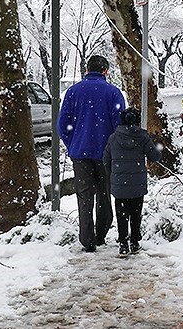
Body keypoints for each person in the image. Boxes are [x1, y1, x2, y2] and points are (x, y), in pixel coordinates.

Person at [58, 55, 126, 252]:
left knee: (84, 196)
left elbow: (63, 124)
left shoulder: (73, 92)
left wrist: (72, 144)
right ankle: (101, 234)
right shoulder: (113, 93)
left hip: (80, 154)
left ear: (87, 70)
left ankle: (87, 239)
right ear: (105, 71)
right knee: (105, 194)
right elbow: (119, 124)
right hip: (105, 153)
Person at [103, 107, 161, 256]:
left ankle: (123, 243)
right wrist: (158, 146)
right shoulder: (142, 137)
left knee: (121, 214)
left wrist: (113, 175)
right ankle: (135, 242)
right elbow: (154, 156)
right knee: (136, 214)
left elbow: (106, 159)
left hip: (119, 186)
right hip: (137, 185)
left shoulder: (113, 138)